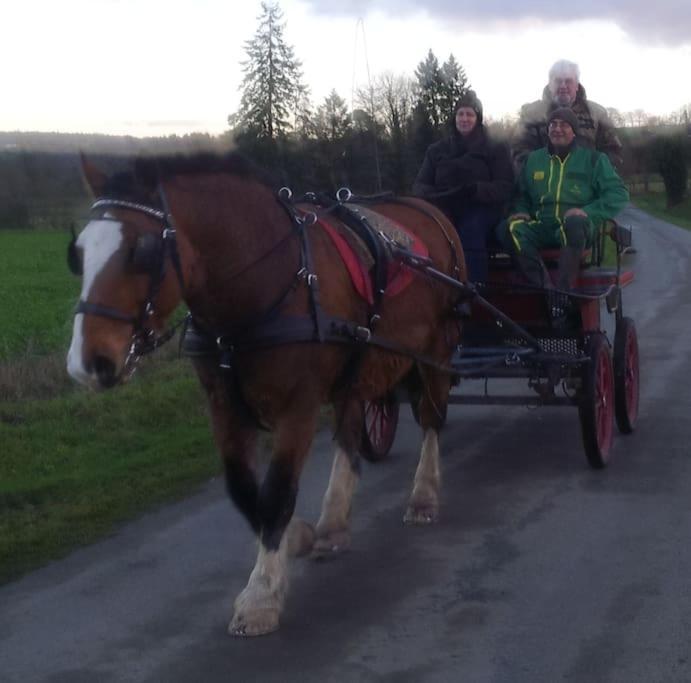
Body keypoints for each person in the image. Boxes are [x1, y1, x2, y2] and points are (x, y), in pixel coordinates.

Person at [497, 108, 629, 297]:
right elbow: (521, 195)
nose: (558, 129)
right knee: (508, 228)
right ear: (548, 130)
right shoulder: (534, 160)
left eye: (564, 125)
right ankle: (547, 291)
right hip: (542, 225)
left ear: (574, 131)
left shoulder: (593, 160)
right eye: (553, 125)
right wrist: (521, 210)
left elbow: (618, 193)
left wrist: (588, 212)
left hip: (577, 228)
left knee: (575, 224)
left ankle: (563, 293)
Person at [413, 90, 513, 282]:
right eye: (460, 114)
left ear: (478, 118)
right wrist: (437, 194)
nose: (464, 119)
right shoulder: (437, 150)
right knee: (424, 229)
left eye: (469, 114)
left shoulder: (495, 147)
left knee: (470, 229)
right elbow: (419, 185)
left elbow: (505, 186)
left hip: (482, 209)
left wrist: (477, 189)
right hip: (444, 207)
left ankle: (472, 288)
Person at [512, 59, 623, 171]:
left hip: (588, 182)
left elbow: (612, 150)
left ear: (577, 85)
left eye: (568, 81)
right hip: (543, 182)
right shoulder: (531, 113)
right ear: (550, 84)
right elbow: (519, 151)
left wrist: (597, 175)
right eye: (558, 81)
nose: (563, 86)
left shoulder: (597, 113)